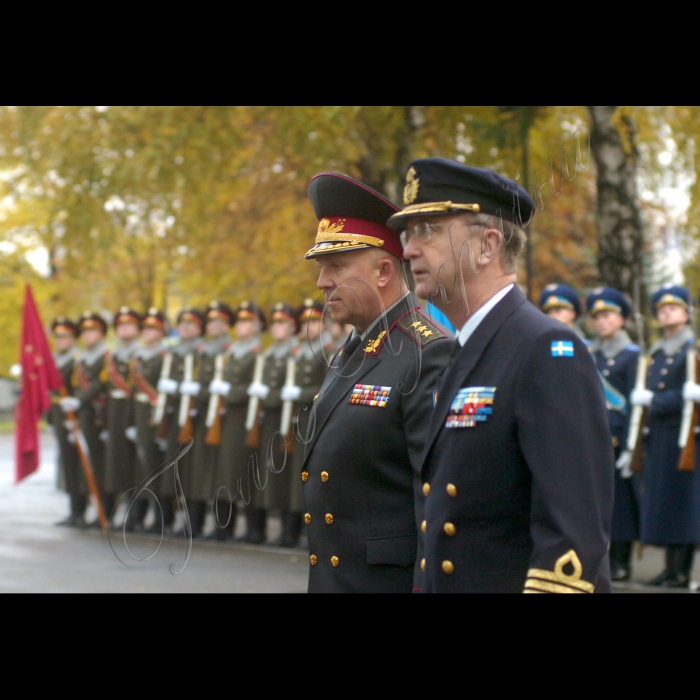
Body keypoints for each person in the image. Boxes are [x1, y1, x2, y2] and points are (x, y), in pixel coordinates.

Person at [396, 157, 614, 593]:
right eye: (408, 234)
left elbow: (572, 538)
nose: (408, 249)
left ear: (487, 246)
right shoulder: (467, 348)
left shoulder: (545, 349)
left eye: (429, 231)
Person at [301, 172, 452, 593]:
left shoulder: (427, 352)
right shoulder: (353, 350)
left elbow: (437, 495)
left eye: (335, 267)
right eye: (321, 268)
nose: (322, 282)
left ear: (384, 270)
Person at [632, 285, 700, 588]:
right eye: (661, 309)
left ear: (687, 314)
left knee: (683, 504)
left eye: (672, 308)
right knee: (665, 503)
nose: (665, 313)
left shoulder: (693, 350)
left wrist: (656, 401)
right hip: (659, 437)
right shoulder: (657, 352)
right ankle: (670, 569)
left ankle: (682, 570)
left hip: (684, 437)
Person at [586, 287, 641, 581]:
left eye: (607, 315)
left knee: (620, 504)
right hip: (594, 437)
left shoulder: (631, 355)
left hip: (619, 439)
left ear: (621, 319)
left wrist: (633, 444)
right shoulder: (590, 353)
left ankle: (621, 562)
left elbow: (633, 400)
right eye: (597, 316)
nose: (601, 322)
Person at [209, 301, 266, 542]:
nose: (241, 326)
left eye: (247, 322)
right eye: (240, 321)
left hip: (247, 417)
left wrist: (231, 391)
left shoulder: (258, 353)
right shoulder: (232, 351)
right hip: (228, 418)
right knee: (224, 472)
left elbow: (255, 385)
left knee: (245, 471)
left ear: (257, 326)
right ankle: (223, 526)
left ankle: (254, 528)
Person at [281, 298, 334, 548]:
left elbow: (327, 387)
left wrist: (300, 394)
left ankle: (309, 534)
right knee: (294, 477)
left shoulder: (327, 348)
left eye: (313, 322)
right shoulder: (303, 349)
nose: (308, 327)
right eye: (304, 323)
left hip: (316, 420)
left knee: (311, 477)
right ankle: (291, 532)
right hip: (298, 421)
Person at [180, 300, 235, 538]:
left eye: (219, 321)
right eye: (211, 321)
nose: (213, 325)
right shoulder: (203, 350)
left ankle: (222, 527)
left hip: (225, 416)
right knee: (199, 470)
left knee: (221, 472)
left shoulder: (231, 349)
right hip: (203, 415)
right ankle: (194, 523)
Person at [247, 302, 299, 545]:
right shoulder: (268, 353)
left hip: (288, 422)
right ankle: (258, 529)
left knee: (286, 475)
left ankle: (289, 532)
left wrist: (276, 394)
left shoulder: (296, 351)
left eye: (282, 323)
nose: (277, 327)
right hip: (268, 421)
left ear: (292, 326)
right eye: (275, 323)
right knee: (265, 473)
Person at [155, 306, 205, 536]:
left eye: (190, 324)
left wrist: (198, 391)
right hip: (175, 416)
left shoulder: (202, 351)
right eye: (181, 324)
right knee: (171, 469)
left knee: (192, 471)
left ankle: (192, 523)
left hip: (195, 418)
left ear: (198, 328)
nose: (184, 328)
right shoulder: (174, 352)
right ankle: (166, 520)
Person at [60, 311, 109, 528]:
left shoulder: (107, 357)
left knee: (99, 466)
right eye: (85, 331)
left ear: (101, 333)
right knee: (80, 467)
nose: (88, 335)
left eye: (93, 330)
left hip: (100, 417)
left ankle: (103, 513)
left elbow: (100, 385)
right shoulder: (80, 360)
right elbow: (74, 387)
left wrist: (80, 401)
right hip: (84, 417)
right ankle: (80, 512)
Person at [130, 308, 169, 532]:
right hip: (140, 416)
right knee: (141, 468)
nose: (147, 332)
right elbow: (133, 393)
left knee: (157, 469)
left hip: (156, 419)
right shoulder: (139, 357)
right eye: (145, 328)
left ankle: (161, 517)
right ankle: (138, 515)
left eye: (152, 328)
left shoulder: (164, 357)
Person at [103, 306, 142, 529]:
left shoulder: (140, 354)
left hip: (134, 412)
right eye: (121, 326)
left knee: (134, 468)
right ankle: (111, 515)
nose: (124, 329)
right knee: (116, 466)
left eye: (129, 325)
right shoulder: (114, 356)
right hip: (115, 414)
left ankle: (134, 517)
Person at [49, 317, 87, 527]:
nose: (59, 341)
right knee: (67, 464)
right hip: (60, 415)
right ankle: (73, 510)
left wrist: (79, 421)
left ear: (73, 338)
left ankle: (81, 510)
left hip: (75, 416)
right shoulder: (55, 360)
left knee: (80, 465)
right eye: (57, 337)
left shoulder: (77, 360)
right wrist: (49, 418)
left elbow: (80, 390)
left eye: (64, 337)